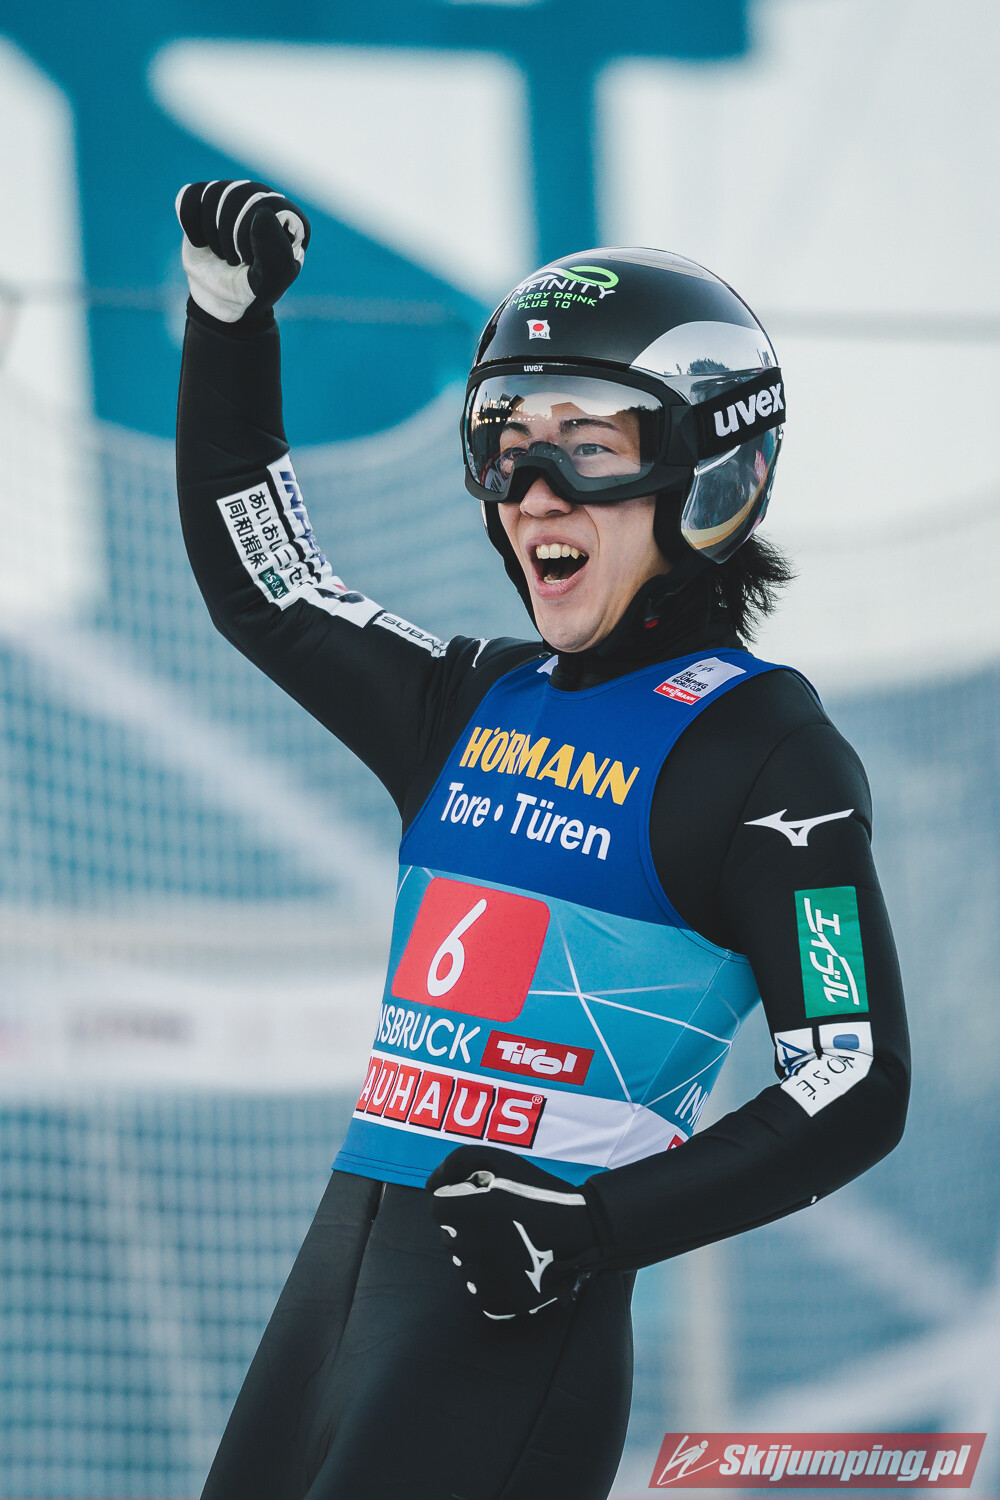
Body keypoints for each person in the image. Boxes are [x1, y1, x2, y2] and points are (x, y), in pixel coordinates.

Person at [174, 179, 909, 1500]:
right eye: (506, 441)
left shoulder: (766, 753)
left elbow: (851, 1078)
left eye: (589, 445)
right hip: (329, 1299)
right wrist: (229, 324)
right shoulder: (471, 701)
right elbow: (272, 588)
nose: (532, 489)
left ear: (715, 467)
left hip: (506, 1347)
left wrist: (592, 1227)